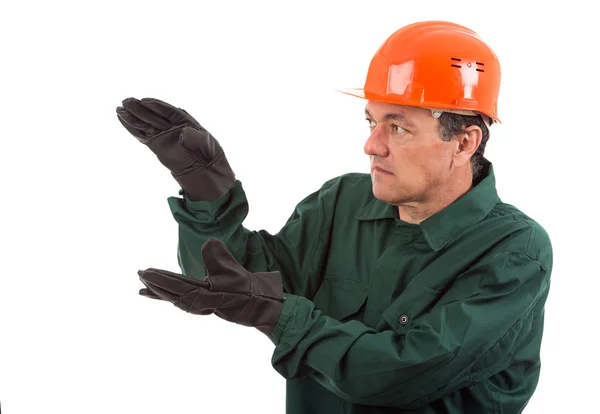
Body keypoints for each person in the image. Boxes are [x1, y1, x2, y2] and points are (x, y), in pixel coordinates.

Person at [116, 20, 552, 413]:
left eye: (397, 127)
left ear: (463, 143)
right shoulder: (344, 201)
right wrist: (207, 192)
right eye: (371, 122)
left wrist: (277, 315)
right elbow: (233, 279)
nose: (372, 146)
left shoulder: (514, 252)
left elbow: (398, 374)